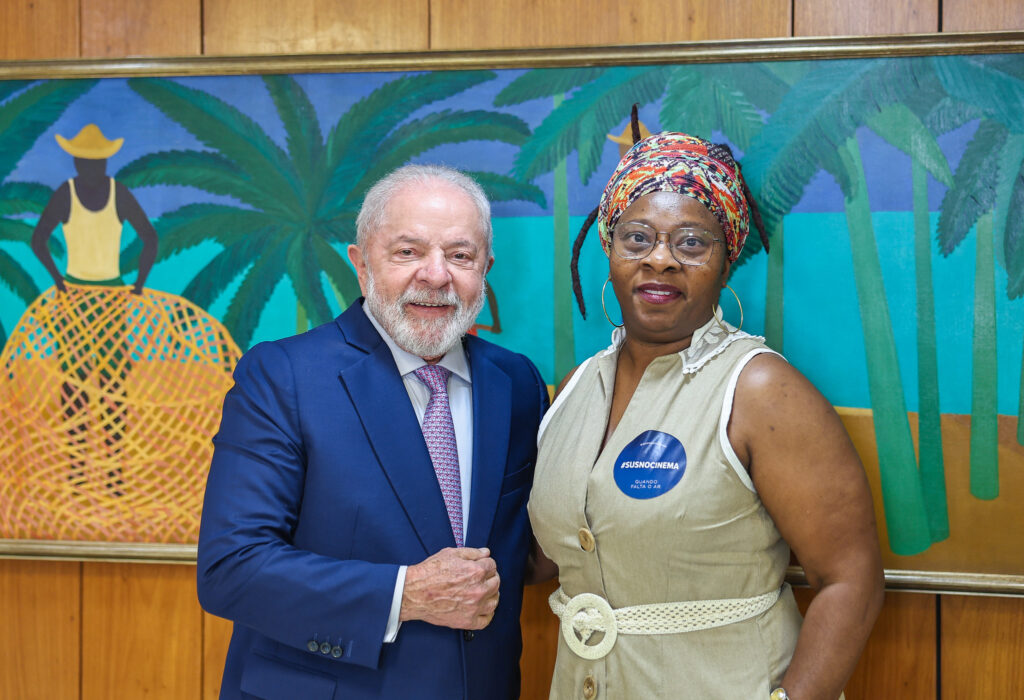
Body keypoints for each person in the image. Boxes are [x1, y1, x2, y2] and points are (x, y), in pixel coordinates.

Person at [527, 119, 884, 700]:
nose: (660, 260)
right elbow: (553, 554)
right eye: (637, 238)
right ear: (611, 252)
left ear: (724, 263)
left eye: (691, 242)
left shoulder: (761, 390)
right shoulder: (574, 389)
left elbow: (850, 580)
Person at [197, 164, 549, 700]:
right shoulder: (283, 377)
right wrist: (404, 594)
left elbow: (522, 544)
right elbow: (232, 569)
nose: (435, 276)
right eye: (407, 252)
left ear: (486, 269)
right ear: (361, 265)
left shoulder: (516, 383)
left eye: (460, 255)